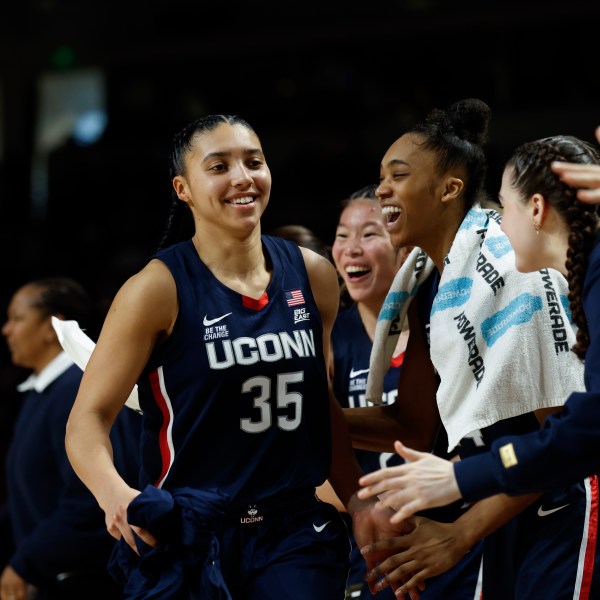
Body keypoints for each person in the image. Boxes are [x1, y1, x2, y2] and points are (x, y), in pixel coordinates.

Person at [63, 114, 406, 600]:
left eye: (254, 161)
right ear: (183, 188)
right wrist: (114, 495)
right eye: (219, 166)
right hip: (191, 532)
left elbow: (319, 408)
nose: (243, 177)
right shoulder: (155, 289)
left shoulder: (313, 275)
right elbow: (86, 420)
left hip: (294, 533)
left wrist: (355, 496)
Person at [342, 99, 597, 599]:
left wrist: (459, 533)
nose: (382, 190)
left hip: (558, 496)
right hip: (501, 500)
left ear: (449, 189)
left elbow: (566, 438)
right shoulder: (425, 287)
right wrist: (312, 420)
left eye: (397, 175)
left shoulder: (511, 270)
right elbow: (415, 426)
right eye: (380, 177)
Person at [326, 184, 484, 599]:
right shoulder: (328, 338)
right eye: (342, 235)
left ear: (404, 248)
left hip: (452, 528)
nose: (351, 249)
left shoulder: (447, 323)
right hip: (371, 539)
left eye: (369, 234)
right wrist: (371, 507)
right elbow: (310, 451)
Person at [0, 277, 142, 600]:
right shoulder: (39, 393)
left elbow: (88, 500)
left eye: (18, 318)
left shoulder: (76, 388)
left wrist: (26, 564)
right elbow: (28, 498)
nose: (7, 329)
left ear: (53, 326)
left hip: (87, 582)